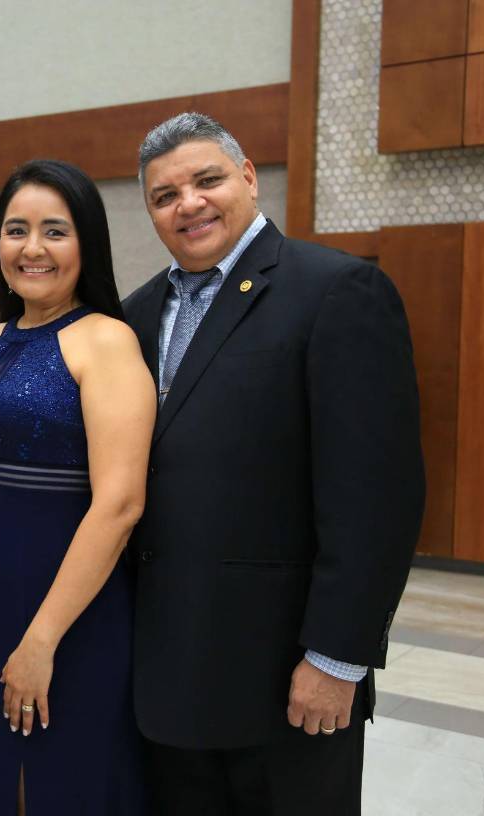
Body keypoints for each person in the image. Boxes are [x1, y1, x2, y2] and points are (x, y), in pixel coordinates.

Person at [121, 112, 424, 814]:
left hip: (284, 679)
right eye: (165, 196)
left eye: (207, 180)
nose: (188, 204)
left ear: (248, 177)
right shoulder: (133, 315)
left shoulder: (335, 291)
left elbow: (377, 499)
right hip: (164, 674)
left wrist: (335, 658)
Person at [0, 160, 155, 814]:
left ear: (86, 244)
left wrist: (42, 641)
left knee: (49, 789)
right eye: (16, 230)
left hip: (71, 621)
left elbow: (121, 504)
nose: (32, 248)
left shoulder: (106, 342)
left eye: (54, 231)